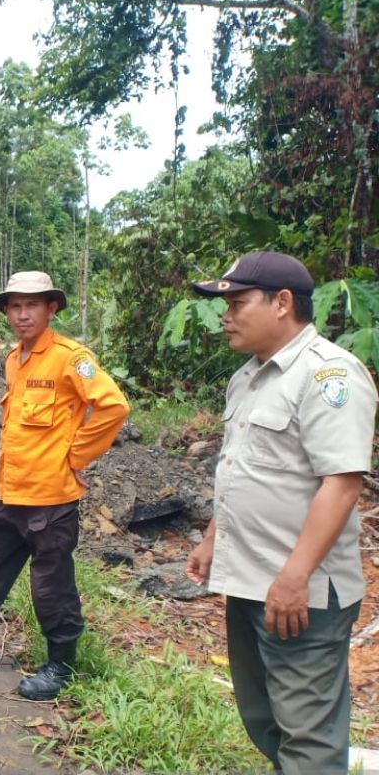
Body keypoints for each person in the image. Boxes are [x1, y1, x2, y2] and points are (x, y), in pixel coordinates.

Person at [184, 251, 376, 773]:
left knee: (308, 736)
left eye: (238, 303)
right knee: (262, 715)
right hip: (250, 582)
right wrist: (211, 538)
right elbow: (241, 469)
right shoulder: (247, 377)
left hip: (300, 594)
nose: (225, 315)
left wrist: (295, 576)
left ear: (283, 302)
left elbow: (341, 484)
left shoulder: (329, 376)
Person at [0, 271, 129, 701]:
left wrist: (76, 457)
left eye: (32, 305)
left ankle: (60, 667)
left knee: (51, 586)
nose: (22, 314)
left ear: (51, 309)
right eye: (14, 305)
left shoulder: (71, 358)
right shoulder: (15, 359)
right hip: (11, 494)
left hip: (52, 502)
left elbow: (113, 407)